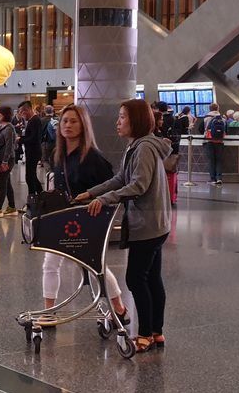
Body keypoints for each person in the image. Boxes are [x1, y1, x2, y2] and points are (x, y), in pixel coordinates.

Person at [80, 99, 173, 353]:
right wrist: (92, 193)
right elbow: (122, 178)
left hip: (148, 225)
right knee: (152, 278)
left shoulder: (144, 148)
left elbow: (138, 185)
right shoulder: (138, 146)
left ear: (136, 120)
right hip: (156, 223)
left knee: (136, 278)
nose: (117, 122)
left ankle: (144, 334)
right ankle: (156, 332)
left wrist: (105, 199)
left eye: (122, 117)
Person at [45, 104, 130, 326]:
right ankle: (49, 310)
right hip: (62, 217)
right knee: (50, 263)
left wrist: (97, 202)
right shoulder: (59, 154)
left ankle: (119, 307)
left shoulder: (93, 157)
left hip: (86, 220)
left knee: (94, 267)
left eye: (73, 121)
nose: (68, 125)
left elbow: (110, 188)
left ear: (83, 125)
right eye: (64, 121)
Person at [0, 105, 18, 217]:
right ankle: (12, 206)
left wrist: (5, 161)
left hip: (7, 159)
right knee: (7, 183)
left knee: (2, 182)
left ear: (4, 115)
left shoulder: (9, 128)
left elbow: (9, 146)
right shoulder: (3, 127)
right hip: (3, 158)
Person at [19, 101, 44, 200]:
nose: (21, 114)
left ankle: (32, 199)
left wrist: (20, 140)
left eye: (22, 112)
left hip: (34, 152)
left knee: (30, 177)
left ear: (28, 110)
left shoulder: (35, 120)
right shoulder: (32, 120)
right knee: (32, 176)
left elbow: (34, 138)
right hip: (31, 151)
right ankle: (40, 197)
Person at [202, 103, 224, 184]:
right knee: (219, 160)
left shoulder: (206, 118)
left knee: (211, 160)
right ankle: (219, 178)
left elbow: (201, 129)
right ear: (218, 108)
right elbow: (226, 130)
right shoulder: (222, 118)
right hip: (220, 141)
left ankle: (212, 179)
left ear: (209, 109)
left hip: (209, 141)